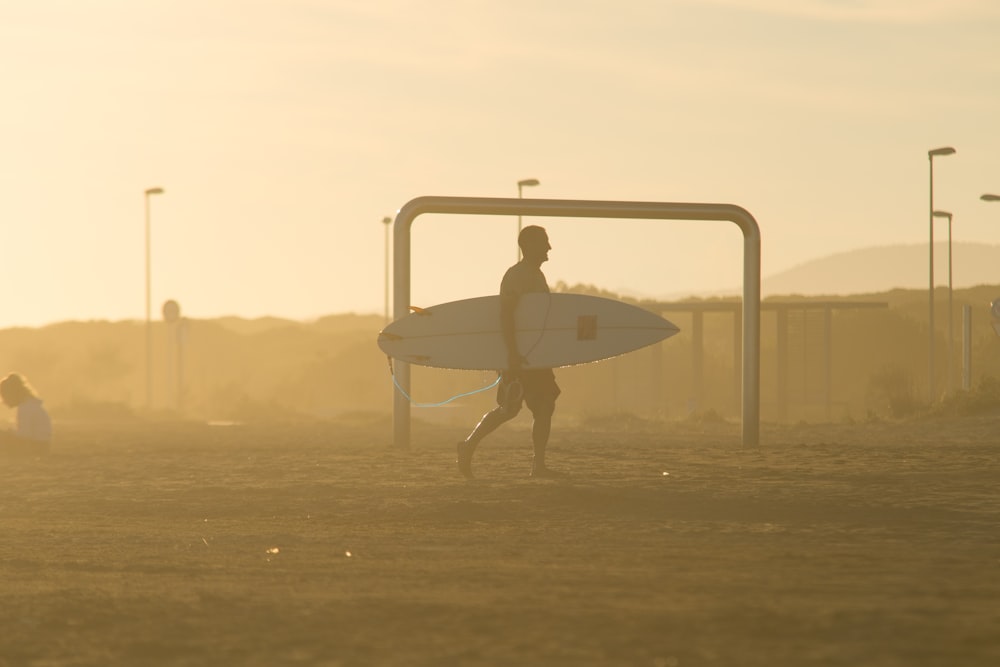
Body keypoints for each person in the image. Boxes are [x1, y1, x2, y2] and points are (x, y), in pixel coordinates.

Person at [457, 225, 564, 479]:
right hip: (518, 356)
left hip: (534, 357)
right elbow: (505, 315)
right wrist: (512, 355)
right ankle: (468, 445)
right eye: (545, 242)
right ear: (529, 245)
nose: (549, 247)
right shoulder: (517, 276)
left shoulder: (536, 275)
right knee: (509, 409)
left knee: (545, 406)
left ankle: (538, 466)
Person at [0, 373, 52, 453]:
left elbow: (24, 435)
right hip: (43, 445)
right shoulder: (32, 404)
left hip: (35, 446)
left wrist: (8, 433)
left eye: (4, 396)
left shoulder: (25, 408)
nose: (3, 401)